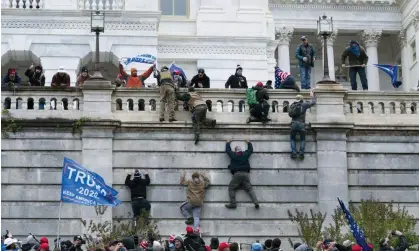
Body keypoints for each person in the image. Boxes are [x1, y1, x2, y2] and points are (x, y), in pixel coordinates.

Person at [224, 139, 259, 209]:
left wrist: (228, 143)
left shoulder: (233, 155)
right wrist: (248, 142)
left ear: (235, 151)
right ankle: (256, 202)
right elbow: (251, 150)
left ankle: (233, 204)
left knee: (231, 188)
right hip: (245, 174)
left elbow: (228, 151)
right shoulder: (245, 154)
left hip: (237, 174)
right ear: (241, 150)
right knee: (249, 189)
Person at [288, 90, 316, 160]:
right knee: (302, 139)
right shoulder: (304, 104)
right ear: (301, 99)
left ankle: (294, 152)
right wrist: (312, 95)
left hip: (293, 123)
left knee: (292, 139)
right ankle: (301, 153)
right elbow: (313, 102)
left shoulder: (292, 105)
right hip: (301, 124)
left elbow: (290, 114)